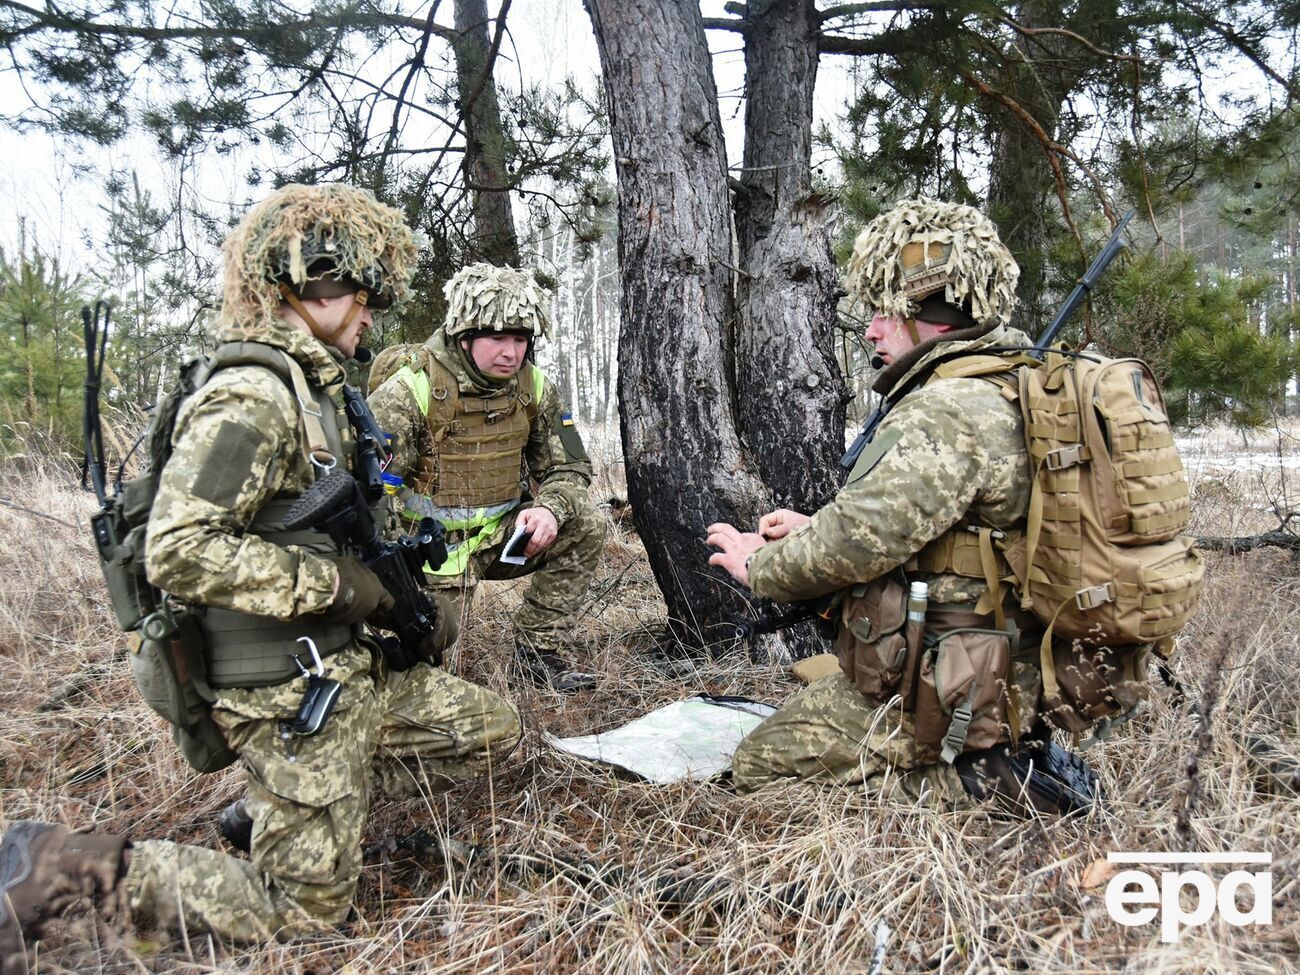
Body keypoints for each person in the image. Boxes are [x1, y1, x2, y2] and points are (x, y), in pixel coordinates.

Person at [0, 185, 521, 962]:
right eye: (362, 294)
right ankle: (53, 870)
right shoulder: (253, 394)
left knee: (488, 728)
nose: (372, 313)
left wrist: (399, 596)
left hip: (341, 659)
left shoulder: (321, 389)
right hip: (284, 680)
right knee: (306, 912)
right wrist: (342, 589)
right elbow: (178, 547)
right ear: (309, 284)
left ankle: (275, 810)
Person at [706, 197, 1096, 814]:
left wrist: (762, 565)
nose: (870, 330)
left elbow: (854, 544)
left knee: (759, 765)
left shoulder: (947, 408)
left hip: (955, 680)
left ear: (935, 313)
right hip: (1020, 661)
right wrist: (815, 528)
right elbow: (953, 532)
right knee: (813, 689)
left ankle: (990, 780)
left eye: (886, 312)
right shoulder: (1020, 382)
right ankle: (1004, 747)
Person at [367, 263, 606, 693]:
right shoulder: (410, 389)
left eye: (520, 340)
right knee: (430, 679)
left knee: (586, 522)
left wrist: (549, 509)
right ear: (465, 337)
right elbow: (372, 490)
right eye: (497, 337)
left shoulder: (533, 387)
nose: (511, 352)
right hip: (430, 552)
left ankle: (537, 655)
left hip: (501, 539)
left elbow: (569, 465)